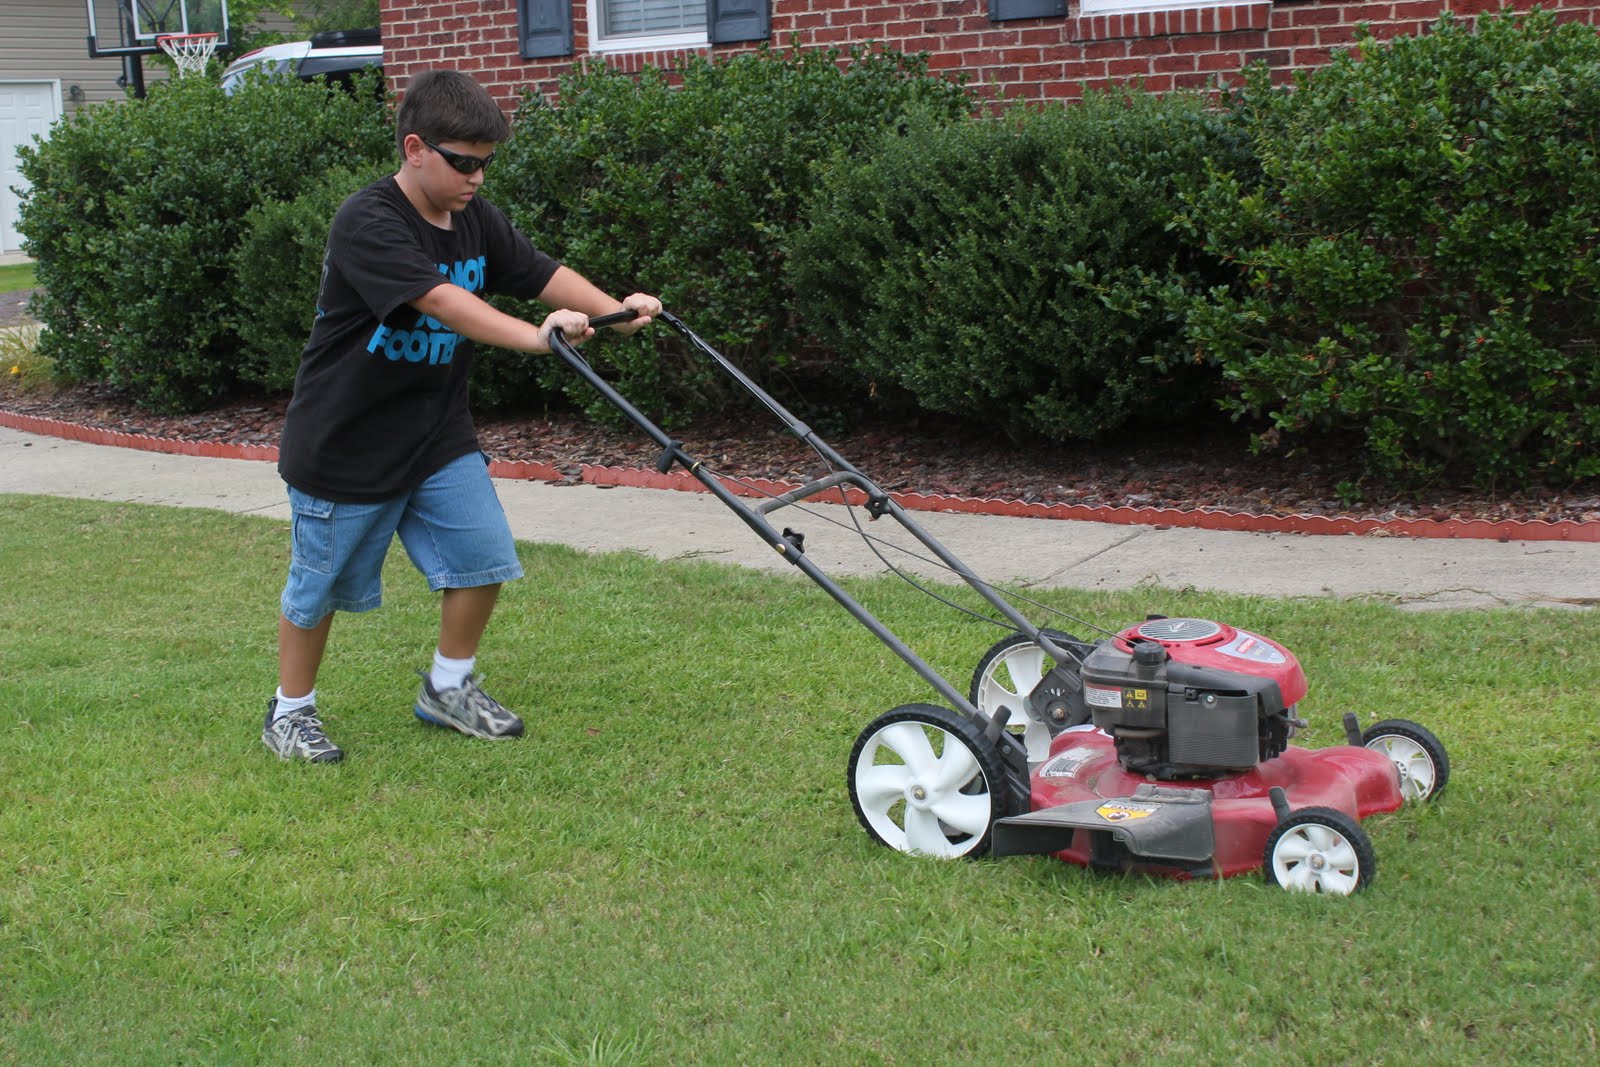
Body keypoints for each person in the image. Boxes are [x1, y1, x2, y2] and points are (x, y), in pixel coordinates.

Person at [263, 69, 661, 763]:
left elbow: (539, 272)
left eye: (487, 163)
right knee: (317, 586)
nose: (478, 178)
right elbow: (443, 301)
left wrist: (613, 313)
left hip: (435, 432)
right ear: (415, 148)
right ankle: (290, 712)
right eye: (464, 163)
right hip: (345, 439)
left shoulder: (476, 219)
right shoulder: (368, 221)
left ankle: (448, 688)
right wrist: (536, 337)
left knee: (480, 558)